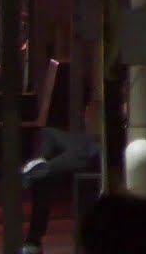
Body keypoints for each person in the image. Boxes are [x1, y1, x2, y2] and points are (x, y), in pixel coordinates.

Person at [19, 93, 102, 254]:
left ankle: (34, 241)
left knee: (45, 177)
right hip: (89, 139)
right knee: (48, 133)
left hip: (104, 145)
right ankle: (40, 164)